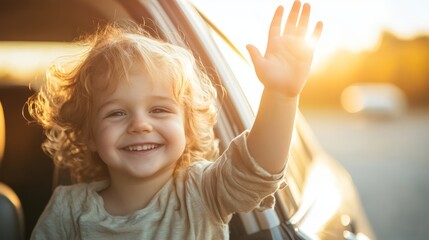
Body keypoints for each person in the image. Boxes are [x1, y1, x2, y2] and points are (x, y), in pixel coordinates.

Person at [29, 1, 322, 239]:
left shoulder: (202, 192)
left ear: (188, 128)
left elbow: (257, 171)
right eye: (117, 113)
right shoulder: (67, 209)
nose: (140, 125)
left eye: (159, 110)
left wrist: (281, 95)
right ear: (89, 134)